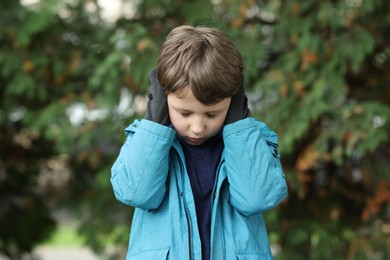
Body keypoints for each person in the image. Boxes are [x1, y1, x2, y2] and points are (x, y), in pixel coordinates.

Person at [111, 25, 288, 260]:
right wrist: (155, 124)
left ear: (233, 101)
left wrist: (238, 124)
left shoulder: (249, 140)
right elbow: (136, 193)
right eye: (184, 113)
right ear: (164, 97)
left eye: (212, 114)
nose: (197, 127)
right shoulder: (147, 138)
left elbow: (257, 198)